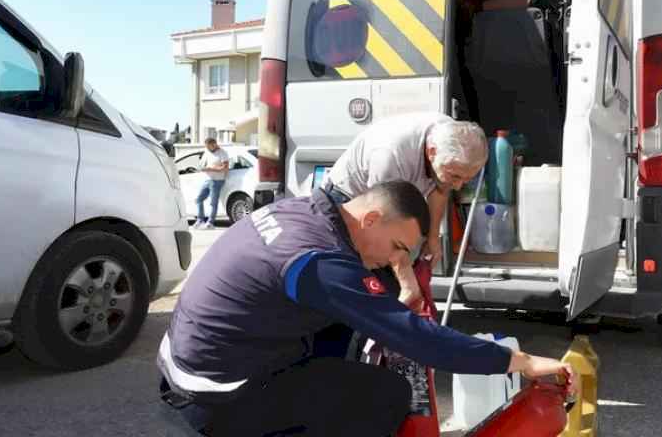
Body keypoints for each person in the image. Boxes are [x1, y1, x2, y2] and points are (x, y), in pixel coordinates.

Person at [157, 181, 572, 436]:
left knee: (346, 334)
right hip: (215, 397)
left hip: (188, 364)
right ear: (371, 217)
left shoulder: (305, 211)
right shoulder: (320, 260)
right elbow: (417, 339)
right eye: (397, 248)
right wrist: (519, 361)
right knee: (385, 394)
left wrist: (392, 287)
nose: (394, 260)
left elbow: (366, 292)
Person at [323, 113, 486, 306]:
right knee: (363, 286)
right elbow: (384, 228)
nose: (458, 186)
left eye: (466, 180)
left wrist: (433, 238)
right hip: (349, 203)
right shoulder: (390, 155)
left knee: (391, 286)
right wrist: (408, 284)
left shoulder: (453, 136)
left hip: (387, 209)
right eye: (455, 176)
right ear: (432, 152)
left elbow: (441, 189)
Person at [194, 138, 229, 230]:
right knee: (198, 199)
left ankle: (210, 222)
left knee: (213, 202)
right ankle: (200, 220)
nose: (208, 148)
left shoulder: (222, 153)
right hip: (208, 179)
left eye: (209, 146)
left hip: (217, 180)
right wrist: (204, 168)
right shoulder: (207, 152)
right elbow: (201, 165)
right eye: (206, 147)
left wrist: (211, 169)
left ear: (214, 144)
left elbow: (225, 168)